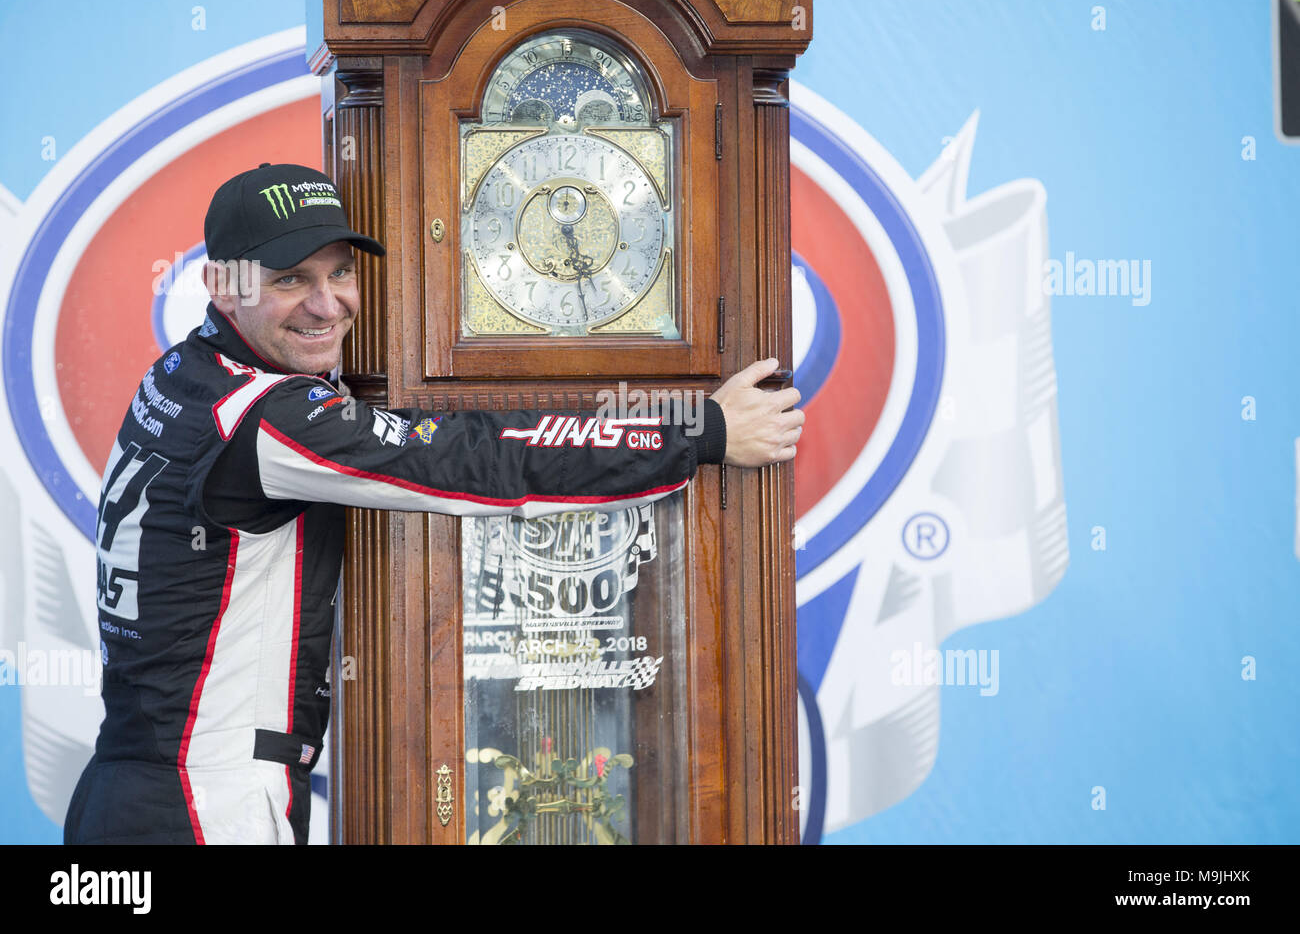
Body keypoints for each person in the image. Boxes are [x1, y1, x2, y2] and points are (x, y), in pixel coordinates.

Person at [63, 163, 803, 845]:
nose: (329, 305)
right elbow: (474, 459)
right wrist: (699, 431)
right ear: (225, 287)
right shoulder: (266, 419)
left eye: (343, 274)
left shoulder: (186, 372)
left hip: (140, 786)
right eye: (292, 280)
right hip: (201, 804)